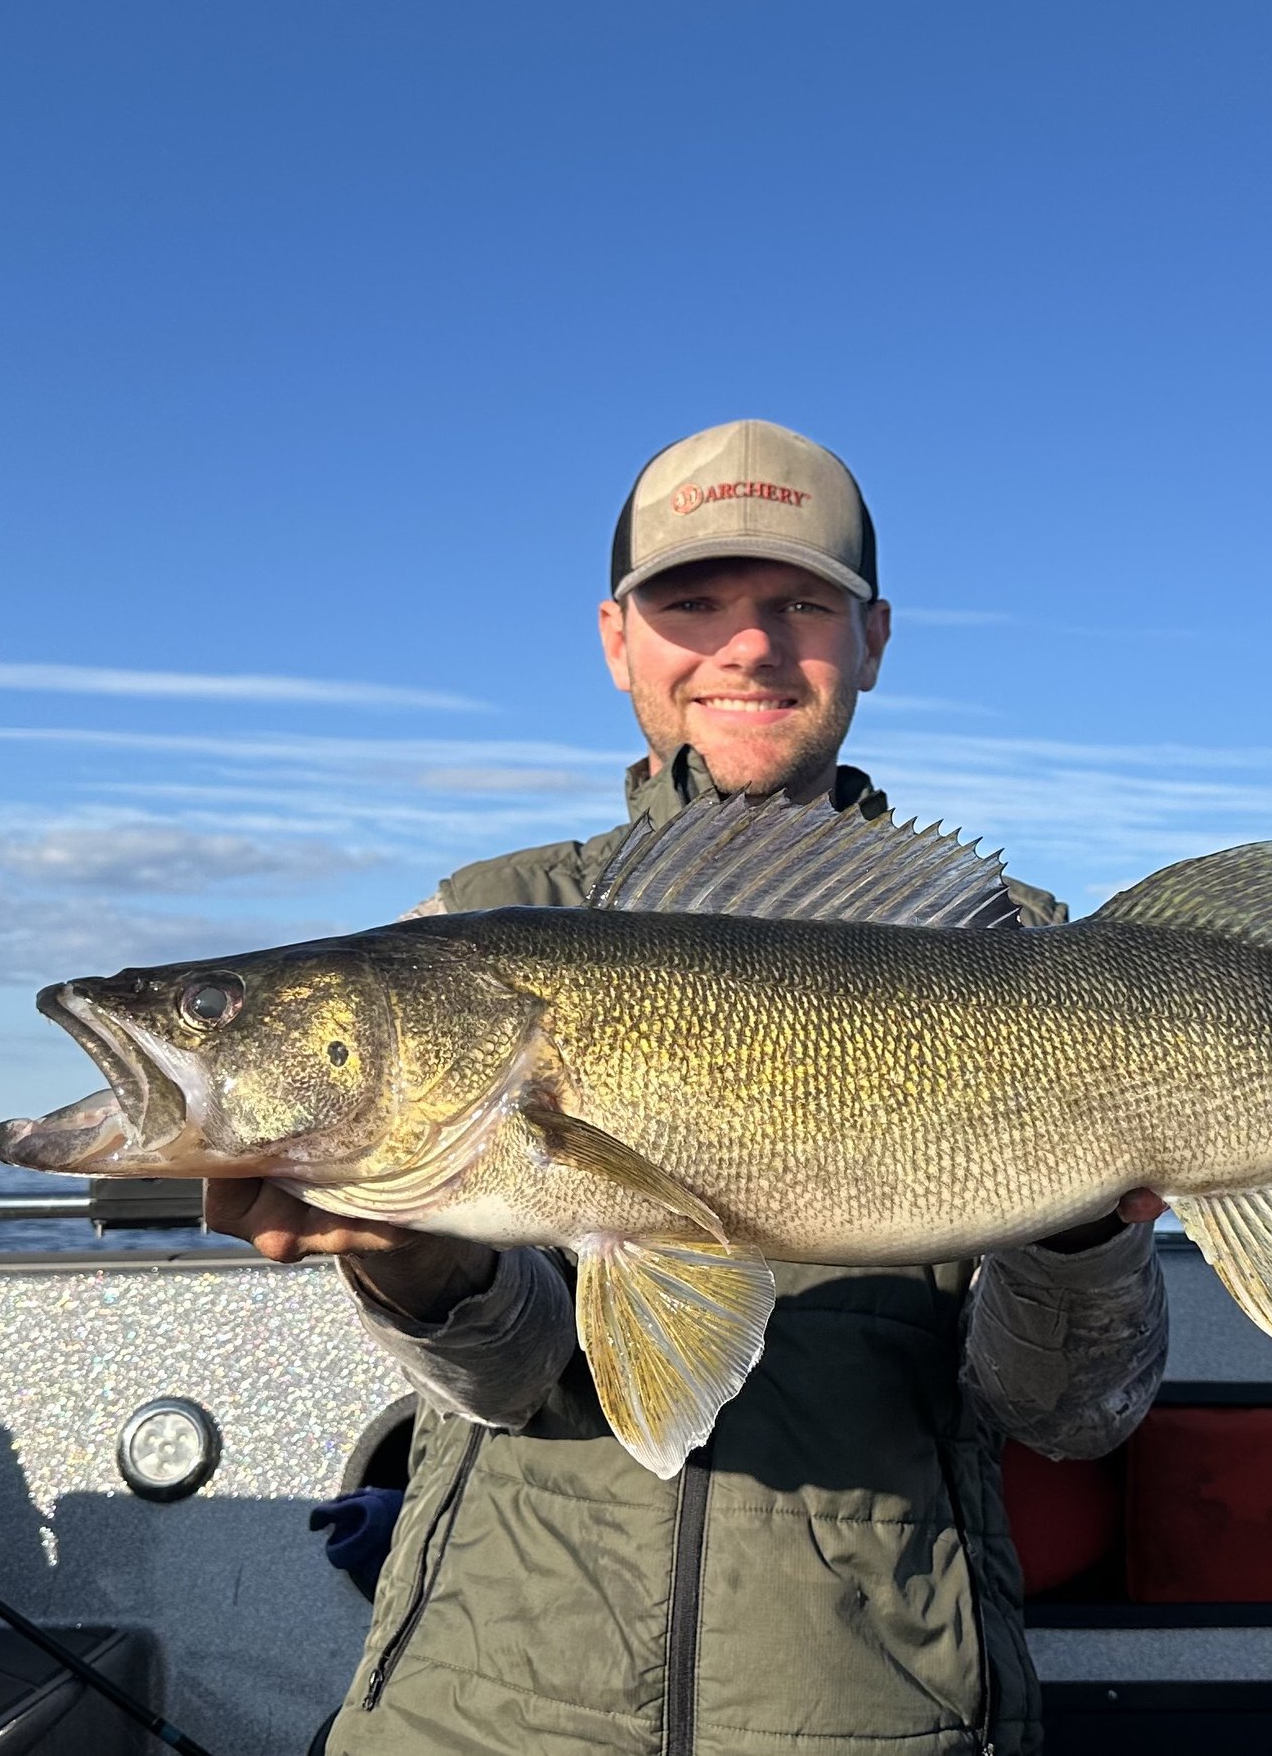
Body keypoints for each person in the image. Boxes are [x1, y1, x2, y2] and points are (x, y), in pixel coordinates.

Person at [210, 419, 1167, 1756]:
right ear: (616, 638)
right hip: (477, 1717)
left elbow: (1071, 1416)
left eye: (800, 604)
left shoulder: (1015, 949)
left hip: (879, 1718)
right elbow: (518, 1372)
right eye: (692, 601)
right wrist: (414, 1268)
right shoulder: (484, 922)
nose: (749, 644)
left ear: (874, 638)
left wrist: (1075, 1239)